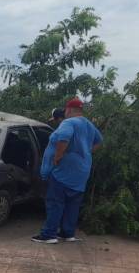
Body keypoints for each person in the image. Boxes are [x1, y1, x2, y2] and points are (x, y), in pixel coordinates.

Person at [32, 98, 103, 244]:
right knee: (73, 205)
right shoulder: (88, 124)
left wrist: (58, 156)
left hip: (64, 172)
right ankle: (67, 233)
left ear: (68, 110)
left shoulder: (69, 122)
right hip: (81, 172)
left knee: (55, 203)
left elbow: (64, 137)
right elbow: (99, 141)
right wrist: (86, 152)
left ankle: (49, 235)